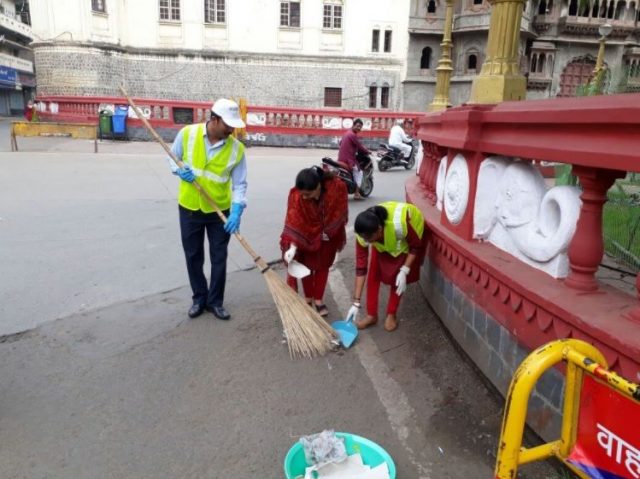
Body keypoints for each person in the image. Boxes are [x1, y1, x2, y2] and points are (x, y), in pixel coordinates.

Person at [167, 98, 247, 320]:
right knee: (193, 255)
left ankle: (215, 302)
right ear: (214, 119)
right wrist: (178, 170)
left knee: (219, 257)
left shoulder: (237, 149)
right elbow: (172, 156)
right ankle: (199, 298)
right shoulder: (187, 133)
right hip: (189, 207)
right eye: (228, 125)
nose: (231, 130)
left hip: (220, 211)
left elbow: (240, 184)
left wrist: (237, 210)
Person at [347, 202, 426, 332]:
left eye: (368, 238)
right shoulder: (364, 234)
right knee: (373, 274)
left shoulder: (399, 226)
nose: (366, 241)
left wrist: (404, 270)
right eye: (364, 238)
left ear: (379, 230)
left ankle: (391, 313)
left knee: (397, 277)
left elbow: (415, 246)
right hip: (383, 237)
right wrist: (356, 302)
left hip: (410, 230)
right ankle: (371, 315)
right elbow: (361, 268)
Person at [280, 166, 348, 317]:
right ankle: (308, 298)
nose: (304, 198)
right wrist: (292, 247)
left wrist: (329, 229)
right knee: (306, 266)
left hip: (328, 236)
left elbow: (340, 208)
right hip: (306, 236)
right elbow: (294, 222)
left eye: (308, 194)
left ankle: (318, 299)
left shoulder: (335, 188)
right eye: (302, 194)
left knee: (323, 266)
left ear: (318, 186)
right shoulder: (296, 195)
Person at [337, 118, 371, 200]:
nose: (359, 128)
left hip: (341, 158)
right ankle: (356, 193)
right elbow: (359, 146)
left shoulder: (347, 133)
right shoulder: (352, 135)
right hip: (348, 159)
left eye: (360, 127)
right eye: (358, 126)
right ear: (353, 125)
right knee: (359, 173)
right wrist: (367, 151)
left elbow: (340, 143)